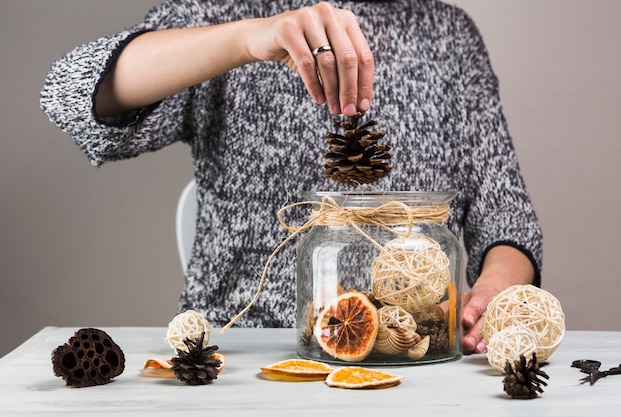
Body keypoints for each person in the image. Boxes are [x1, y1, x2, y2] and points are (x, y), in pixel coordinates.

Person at [40, 0, 542, 354]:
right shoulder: (218, 11)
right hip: (246, 355)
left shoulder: (450, 35)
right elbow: (72, 97)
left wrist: (492, 289)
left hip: (414, 347)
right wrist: (246, 37)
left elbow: (506, 216)